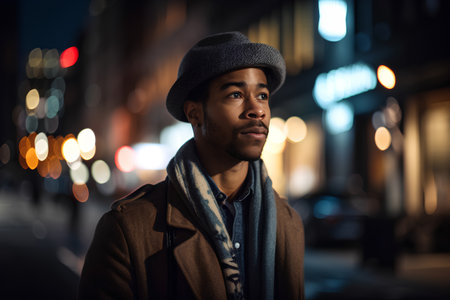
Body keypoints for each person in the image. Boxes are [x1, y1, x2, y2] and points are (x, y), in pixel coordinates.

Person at [78, 31, 304, 300]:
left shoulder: (287, 222)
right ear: (195, 113)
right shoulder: (129, 229)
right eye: (235, 94)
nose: (257, 109)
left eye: (263, 95)